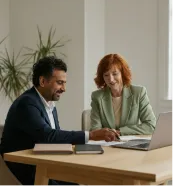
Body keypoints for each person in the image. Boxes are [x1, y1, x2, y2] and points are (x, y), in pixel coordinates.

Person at [0, 56, 118, 186]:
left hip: (42, 164)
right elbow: (48, 136)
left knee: (85, 181)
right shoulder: (27, 103)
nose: (64, 88)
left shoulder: (48, 103)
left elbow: (55, 138)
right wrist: (91, 135)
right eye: (60, 83)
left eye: (64, 83)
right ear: (43, 81)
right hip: (27, 170)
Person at [90, 53, 156, 136]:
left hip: (131, 146)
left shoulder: (139, 93)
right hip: (107, 144)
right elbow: (95, 130)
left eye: (115, 74)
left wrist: (120, 132)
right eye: (106, 75)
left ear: (122, 73)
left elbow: (151, 126)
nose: (110, 79)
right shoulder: (97, 96)